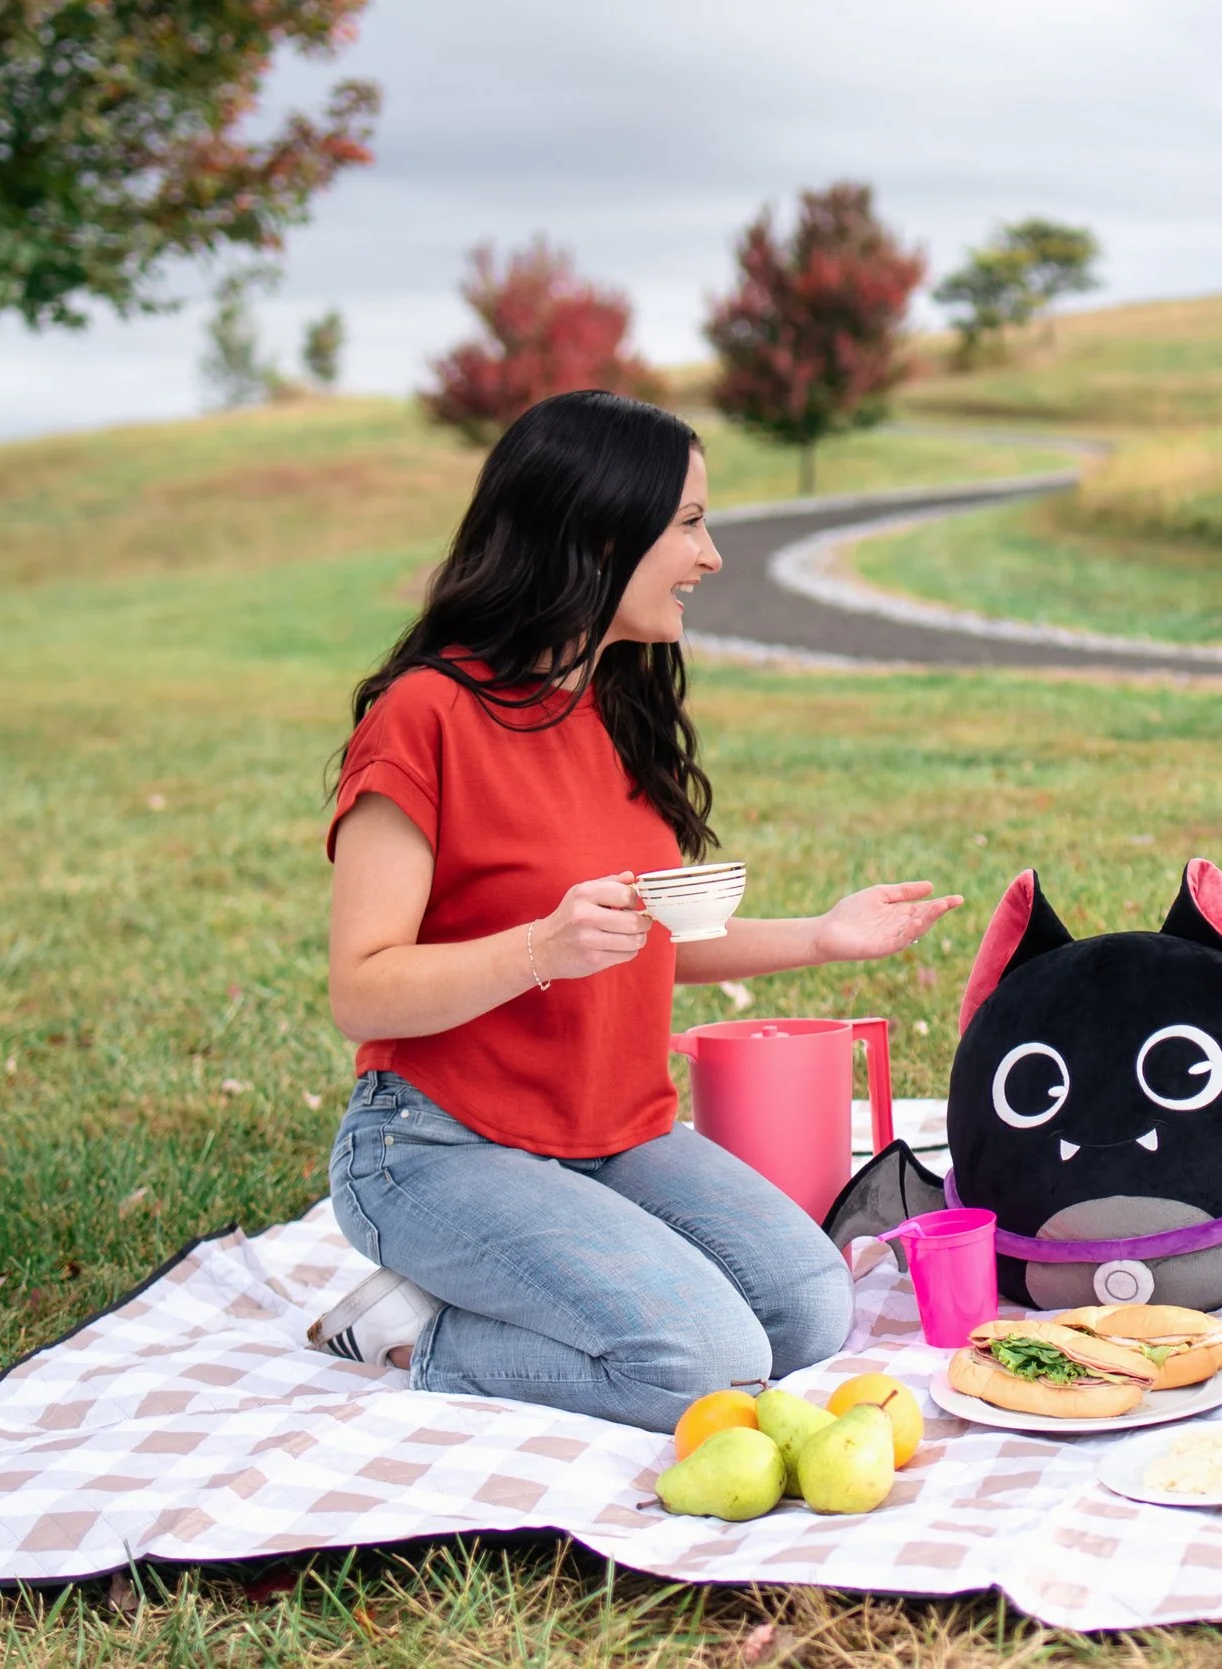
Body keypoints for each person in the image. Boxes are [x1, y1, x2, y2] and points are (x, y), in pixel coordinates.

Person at [309, 390, 960, 1431]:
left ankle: (534, 1276)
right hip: (434, 1146)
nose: (709, 558)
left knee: (803, 1312)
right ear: (601, 528)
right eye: (691, 523)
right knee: (703, 1363)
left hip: (610, 1133)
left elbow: (644, 939)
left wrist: (819, 936)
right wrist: (538, 948)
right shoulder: (425, 714)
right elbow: (361, 987)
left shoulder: (613, 707)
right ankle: (407, 1329)